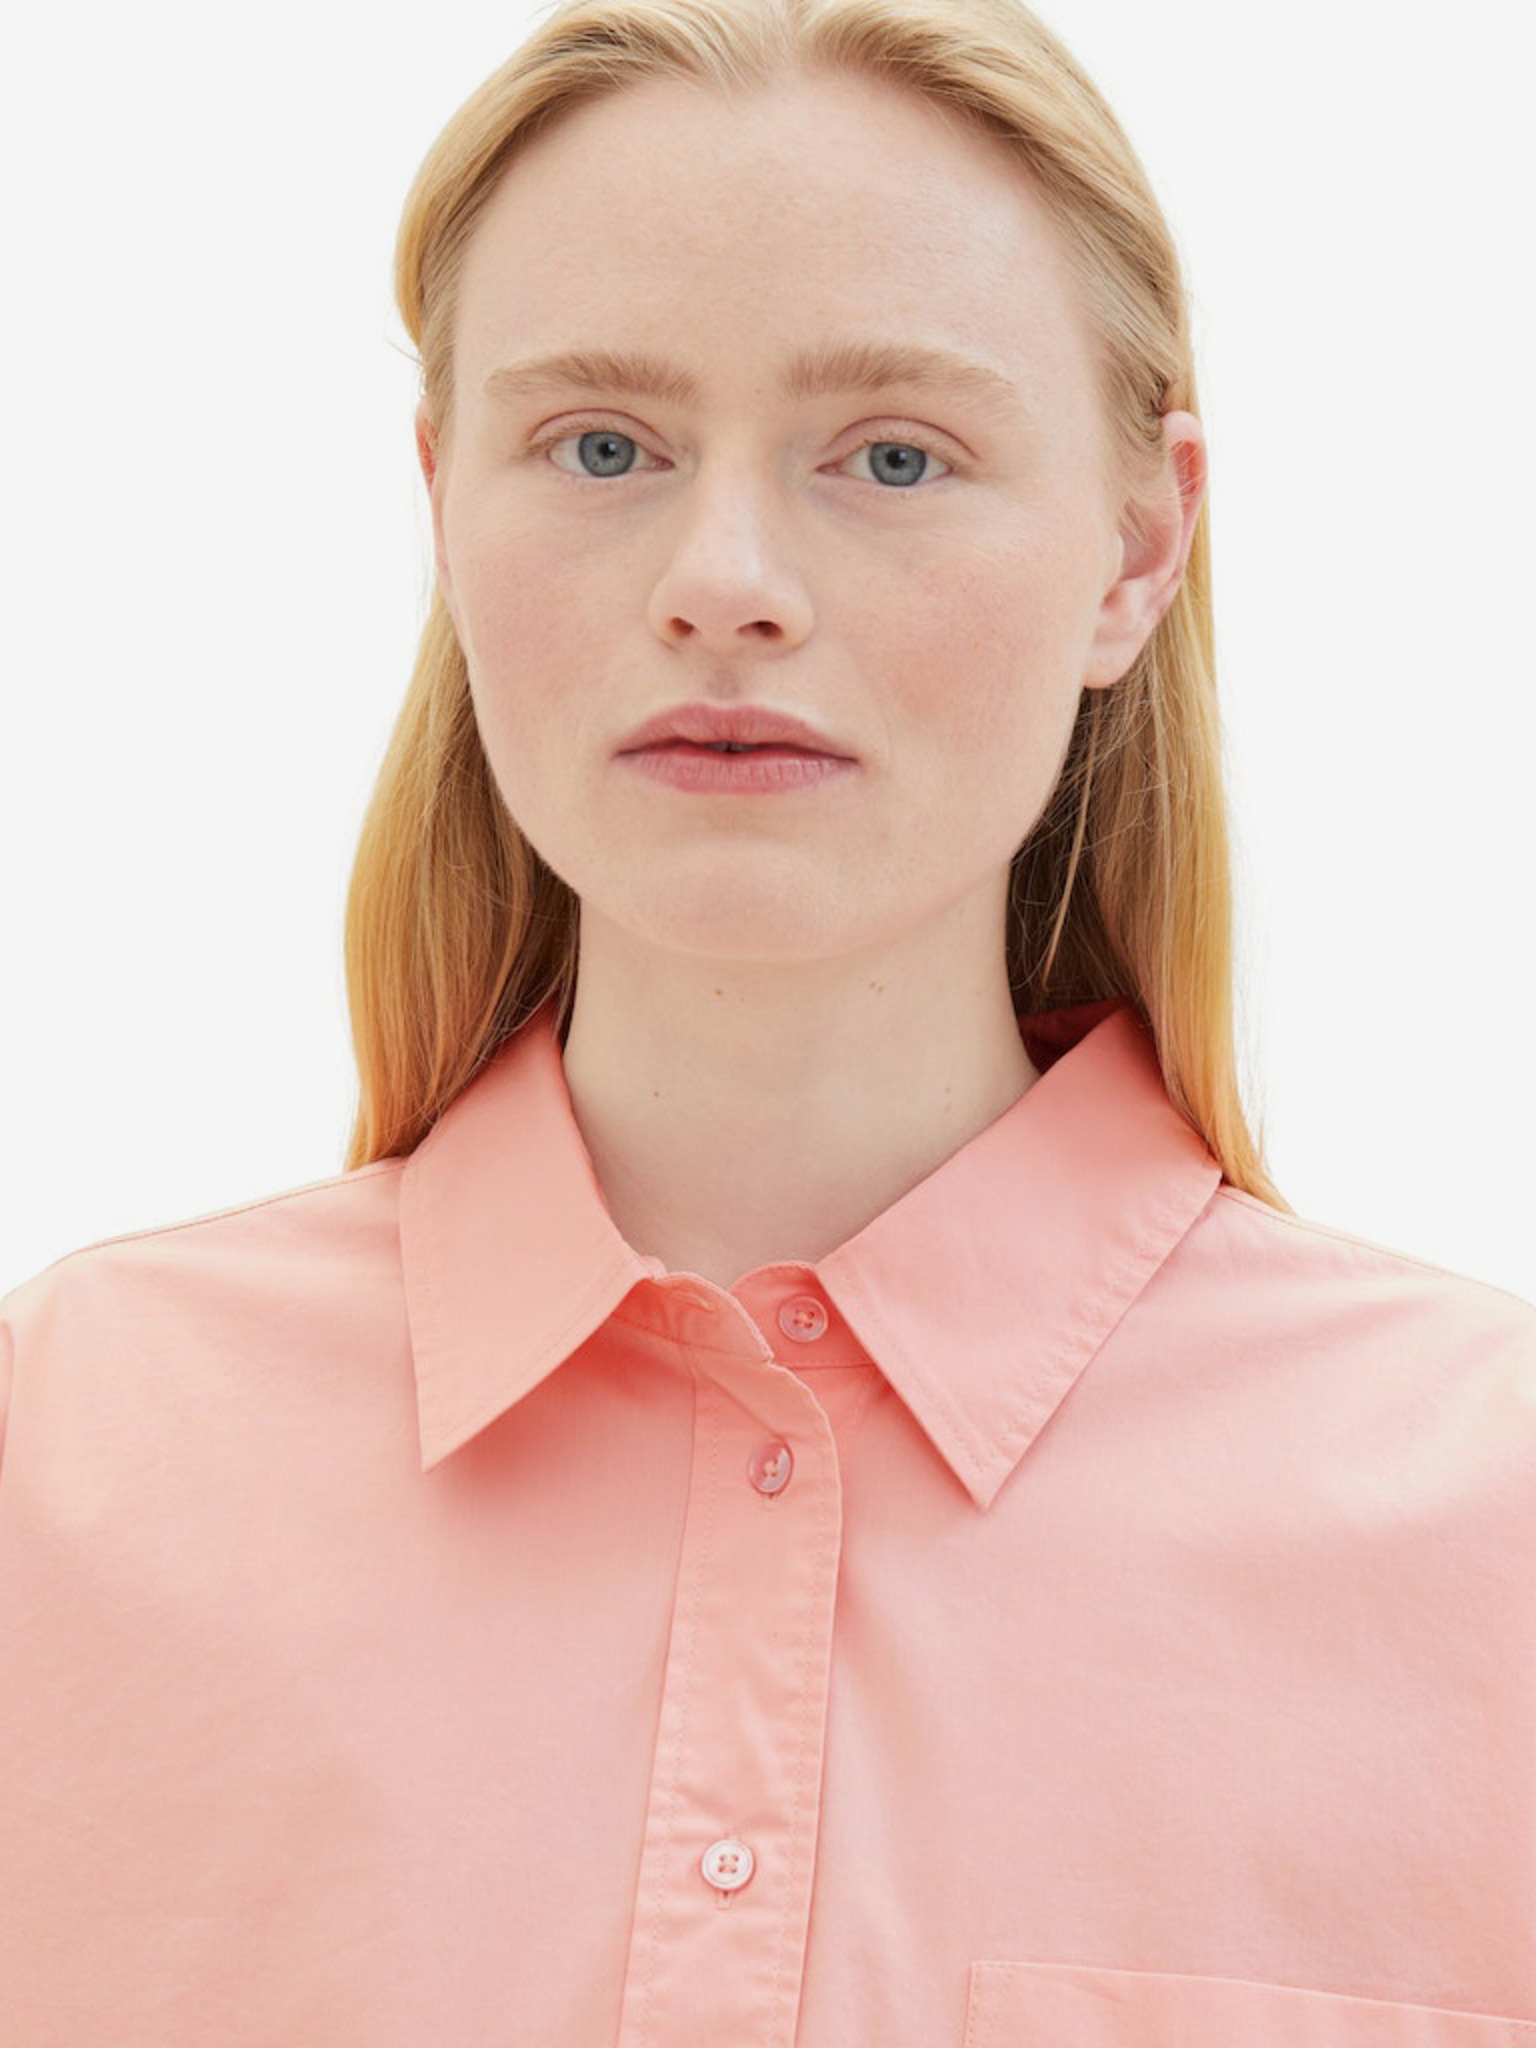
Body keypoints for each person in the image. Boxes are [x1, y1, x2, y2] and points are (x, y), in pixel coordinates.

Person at [1, 0, 1532, 2039]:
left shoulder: (1494, 1523)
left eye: (894, 455)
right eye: (602, 447)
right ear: (443, 503)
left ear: (1138, 546)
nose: (724, 582)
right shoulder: (59, 1465)